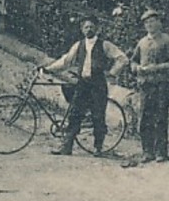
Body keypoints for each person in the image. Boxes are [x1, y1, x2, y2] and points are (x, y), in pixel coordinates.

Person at [41, 17, 129, 156]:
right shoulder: (78, 45)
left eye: (92, 27)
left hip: (98, 84)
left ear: (97, 29)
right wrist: (49, 69)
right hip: (83, 84)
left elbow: (122, 58)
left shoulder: (105, 45)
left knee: (98, 115)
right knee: (74, 114)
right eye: (86, 27)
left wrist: (112, 73)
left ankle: (98, 148)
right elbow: (66, 61)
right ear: (82, 30)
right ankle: (67, 146)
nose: (89, 29)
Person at [121, 8, 169, 167]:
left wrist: (157, 67)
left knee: (161, 117)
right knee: (145, 118)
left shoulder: (167, 40)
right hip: (146, 85)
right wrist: (136, 68)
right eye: (146, 23)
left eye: (152, 21)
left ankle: (161, 152)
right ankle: (147, 152)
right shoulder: (142, 42)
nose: (150, 25)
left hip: (161, 84)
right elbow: (133, 61)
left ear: (159, 23)